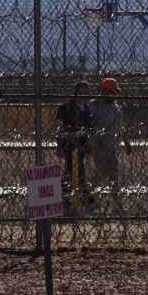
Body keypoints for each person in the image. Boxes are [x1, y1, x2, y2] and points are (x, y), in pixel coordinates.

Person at [87, 76, 129, 211]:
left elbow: (121, 127)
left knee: (113, 176)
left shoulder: (116, 107)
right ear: (104, 91)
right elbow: (89, 124)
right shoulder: (94, 105)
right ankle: (89, 199)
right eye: (112, 92)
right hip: (99, 146)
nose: (114, 95)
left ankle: (116, 205)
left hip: (113, 146)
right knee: (102, 174)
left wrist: (126, 142)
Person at [56, 81, 92, 213]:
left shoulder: (86, 109)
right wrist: (60, 144)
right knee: (74, 172)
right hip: (68, 144)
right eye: (81, 92)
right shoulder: (65, 108)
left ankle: (72, 203)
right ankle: (84, 202)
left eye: (86, 92)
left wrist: (86, 140)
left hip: (80, 146)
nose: (84, 95)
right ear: (76, 92)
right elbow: (60, 128)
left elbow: (88, 127)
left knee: (73, 173)